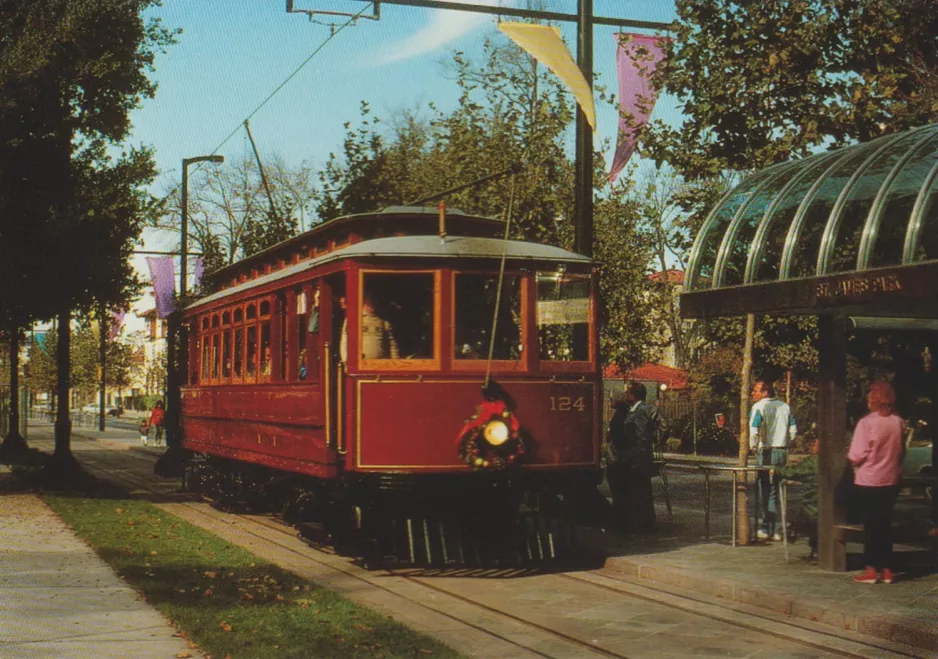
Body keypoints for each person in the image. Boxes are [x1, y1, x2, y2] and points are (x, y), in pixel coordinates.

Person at [848, 382, 905, 584]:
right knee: (885, 524)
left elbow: (856, 454)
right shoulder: (898, 423)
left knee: (871, 527)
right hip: (890, 478)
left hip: (869, 479)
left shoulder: (866, 423)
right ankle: (888, 569)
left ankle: (871, 569)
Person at [605, 381, 660, 533]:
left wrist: (652, 440)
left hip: (637, 455)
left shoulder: (643, 409)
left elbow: (661, 427)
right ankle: (641, 522)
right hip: (633, 455)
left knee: (640, 490)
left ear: (634, 395)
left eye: (628, 393)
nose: (626, 395)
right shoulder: (631, 410)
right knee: (638, 490)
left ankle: (642, 523)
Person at [749, 379, 797, 541]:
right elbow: (793, 429)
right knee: (777, 489)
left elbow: (754, 429)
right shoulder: (785, 407)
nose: (752, 393)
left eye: (756, 390)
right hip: (781, 450)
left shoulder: (758, 407)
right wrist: (786, 441)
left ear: (765, 392)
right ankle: (776, 527)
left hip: (766, 450)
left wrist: (753, 446)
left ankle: (768, 526)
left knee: (766, 489)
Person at [360, 293, 399, 360]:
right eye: (370, 300)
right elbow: (345, 341)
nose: (372, 303)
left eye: (374, 300)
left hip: (380, 365)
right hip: (360, 365)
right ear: (364, 301)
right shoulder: (355, 318)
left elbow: (392, 343)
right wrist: (347, 360)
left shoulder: (384, 321)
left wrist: (396, 362)